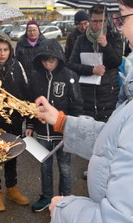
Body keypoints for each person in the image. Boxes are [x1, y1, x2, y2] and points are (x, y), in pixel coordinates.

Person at [34, 0, 133, 221]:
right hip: (89, 97)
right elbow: (118, 143)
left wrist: (65, 209)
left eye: (122, 17)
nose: (121, 27)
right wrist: (62, 121)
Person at [25, 39, 83, 213]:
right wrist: (30, 125)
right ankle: (46, 197)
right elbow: (30, 104)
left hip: (62, 133)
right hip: (42, 134)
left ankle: (65, 199)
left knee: (65, 167)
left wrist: (71, 129)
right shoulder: (35, 76)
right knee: (45, 166)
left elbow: (77, 104)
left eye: (52, 60)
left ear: (59, 59)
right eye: (44, 60)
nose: (48, 64)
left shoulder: (69, 75)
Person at [0, 33, 30, 212]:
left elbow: (25, 90)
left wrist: (27, 115)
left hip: (14, 119)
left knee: (12, 153)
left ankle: (12, 189)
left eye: (5, 49)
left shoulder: (16, 65)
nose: (2, 53)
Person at [68, 4, 123, 123]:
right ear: (89, 20)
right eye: (94, 21)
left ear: (106, 20)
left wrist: (105, 46)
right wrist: (91, 70)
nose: (98, 25)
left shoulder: (114, 37)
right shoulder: (81, 39)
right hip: (86, 93)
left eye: (101, 21)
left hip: (108, 93)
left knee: (107, 129)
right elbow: (72, 64)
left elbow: (116, 62)